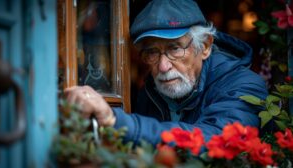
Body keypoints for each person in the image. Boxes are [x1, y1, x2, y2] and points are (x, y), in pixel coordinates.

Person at [64, 0, 268, 147]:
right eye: (152, 52)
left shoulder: (244, 86)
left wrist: (116, 121)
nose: (163, 66)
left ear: (204, 47)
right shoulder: (150, 92)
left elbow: (216, 139)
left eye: (175, 48)